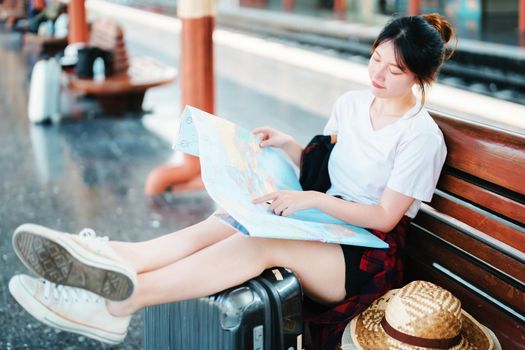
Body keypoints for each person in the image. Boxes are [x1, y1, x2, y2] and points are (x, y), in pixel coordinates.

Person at [9, 13, 454, 348]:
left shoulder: (421, 136)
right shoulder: (353, 103)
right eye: (375, 58)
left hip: (365, 254)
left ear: (419, 77)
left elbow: (383, 214)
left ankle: (117, 304)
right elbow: (329, 166)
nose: (377, 74)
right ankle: (104, 257)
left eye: (393, 70)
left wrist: (312, 200)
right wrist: (289, 147)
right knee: (229, 218)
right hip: (324, 221)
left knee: (260, 243)